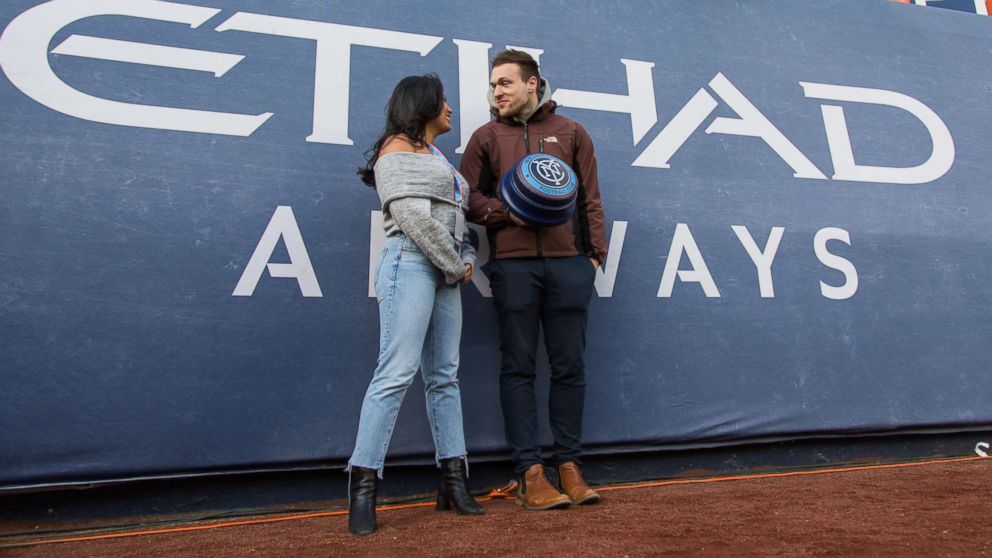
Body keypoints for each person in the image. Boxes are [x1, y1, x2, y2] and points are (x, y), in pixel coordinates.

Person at [460, 50, 607, 510]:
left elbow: (591, 201)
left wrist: (592, 258)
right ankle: (529, 472)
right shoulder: (485, 136)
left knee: (569, 368)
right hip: (514, 268)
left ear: (532, 83)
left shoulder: (572, 132)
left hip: (569, 267)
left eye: (505, 82)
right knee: (518, 368)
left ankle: (570, 466)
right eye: (493, 84)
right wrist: (511, 211)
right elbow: (465, 198)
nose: (497, 92)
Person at [348, 74, 483, 536]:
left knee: (444, 376)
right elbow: (413, 220)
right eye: (443, 100)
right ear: (423, 104)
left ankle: (453, 481)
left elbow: (454, 219)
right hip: (411, 263)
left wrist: (464, 257)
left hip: (445, 269)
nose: (450, 107)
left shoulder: (436, 155)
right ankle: (363, 489)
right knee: (395, 372)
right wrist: (455, 265)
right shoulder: (395, 151)